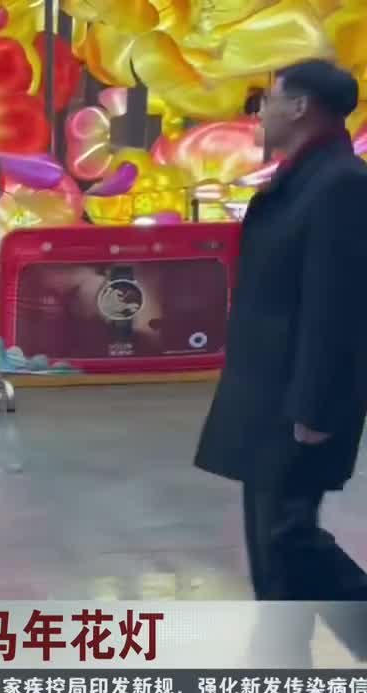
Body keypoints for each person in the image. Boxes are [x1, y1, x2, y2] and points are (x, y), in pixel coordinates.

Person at [194, 59, 367, 662]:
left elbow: (336, 307)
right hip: (269, 394)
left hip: (300, 398)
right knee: (277, 551)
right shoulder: (303, 178)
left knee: (287, 539)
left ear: (300, 107)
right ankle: (281, 668)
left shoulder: (342, 185)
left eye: (269, 98)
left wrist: (315, 407)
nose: (260, 110)